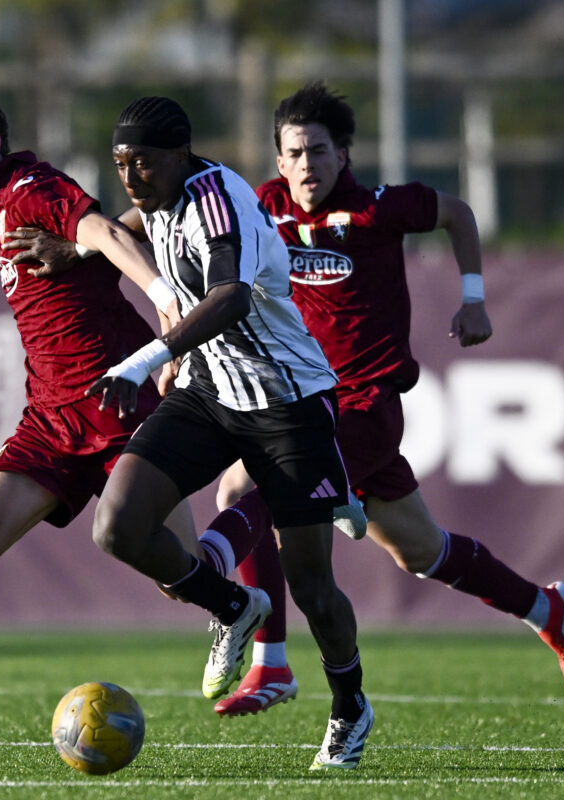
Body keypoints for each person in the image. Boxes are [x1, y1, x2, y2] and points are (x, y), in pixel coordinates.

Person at [0, 87, 267, 768]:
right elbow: (90, 247)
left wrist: (163, 300)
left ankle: (255, 537)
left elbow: (102, 229)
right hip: (51, 414)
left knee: (181, 574)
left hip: (120, 401)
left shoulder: (28, 186)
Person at [200, 82, 564, 716]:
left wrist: (473, 297)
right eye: (294, 152)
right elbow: (172, 207)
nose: (306, 164)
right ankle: (547, 608)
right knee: (422, 552)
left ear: (343, 155)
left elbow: (458, 213)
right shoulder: (261, 205)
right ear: (277, 161)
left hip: (364, 406)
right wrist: (90, 239)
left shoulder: (380, 208)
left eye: (318, 151)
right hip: (299, 403)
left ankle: (270, 662)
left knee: (245, 489)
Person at [85, 95, 373, 771]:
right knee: (118, 527)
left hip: (288, 403)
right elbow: (126, 225)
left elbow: (230, 296)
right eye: (121, 161)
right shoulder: (157, 197)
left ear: (181, 155)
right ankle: (235, 605)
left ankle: (350, 705)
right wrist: (74, 246)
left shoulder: (217, 196)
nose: (131, 175)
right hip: (209, 395)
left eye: (144, 162)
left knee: (312, 587)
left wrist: (145, 358)